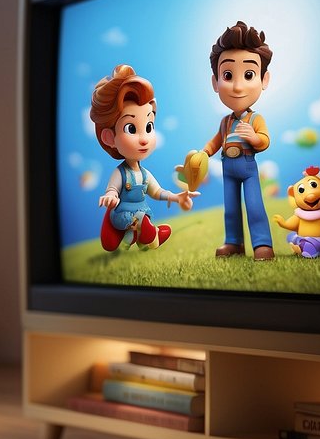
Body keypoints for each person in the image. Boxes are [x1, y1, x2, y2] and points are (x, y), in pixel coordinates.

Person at [89, 65, 196, 251]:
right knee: (138, 221)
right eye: (131, 128)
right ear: (109, 138)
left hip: (142, 214)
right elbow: (113, 189)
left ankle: (142, 237)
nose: (144, 138)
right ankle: (146, 236)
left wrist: (176, 197)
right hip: (123, 215)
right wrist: (110, 196)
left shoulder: (145, 174)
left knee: (142, 222)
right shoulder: (120, 173)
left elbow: (157, 192)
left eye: (148, 127)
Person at [200, 20, 275, 260]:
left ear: (264, 80)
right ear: (216, 82)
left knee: (254, 206)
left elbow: (265, 140)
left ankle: (262, 244)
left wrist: (254, 138)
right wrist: (203, 153)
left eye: (249, 74)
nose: (238, 86)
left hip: (247, 167)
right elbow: (215, 142)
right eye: (228, 75)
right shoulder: (225, 122)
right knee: (230, 209)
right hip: (228, 169)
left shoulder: (255, 119)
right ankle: (233, 242)